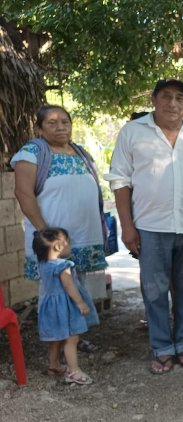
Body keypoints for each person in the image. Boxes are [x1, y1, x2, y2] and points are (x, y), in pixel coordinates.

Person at [106, 78, 183, 374]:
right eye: (166, 96)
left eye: (180, 98)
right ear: (154, 100)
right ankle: (162, 348)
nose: (172, 103)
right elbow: (120, 180)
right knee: (154, 290)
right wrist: (127, 226)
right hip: (150, 226)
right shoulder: (133, 132)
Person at [12, 104, 107, 355]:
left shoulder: (80, 152)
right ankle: (56, 347)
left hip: (83, 236)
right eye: (52, 123)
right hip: (52, 239)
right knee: (55, 290)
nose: (60, 127)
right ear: (39, 128)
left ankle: (75, 338)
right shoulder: (31, 153)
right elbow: (23, 193)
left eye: (65, 122)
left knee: (78, 287)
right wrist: (46, 233)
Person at [33, 228, 99, 385]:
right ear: (58, 247)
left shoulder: (43, 264)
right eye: (68, 242)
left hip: (49, 307)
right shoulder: (62, 266)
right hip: (64, 306)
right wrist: (80, 302)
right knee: (72, 338)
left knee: (56, 339)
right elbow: (69, 286)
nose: (70, 245)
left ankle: (54, 366)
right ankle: (74, 371)